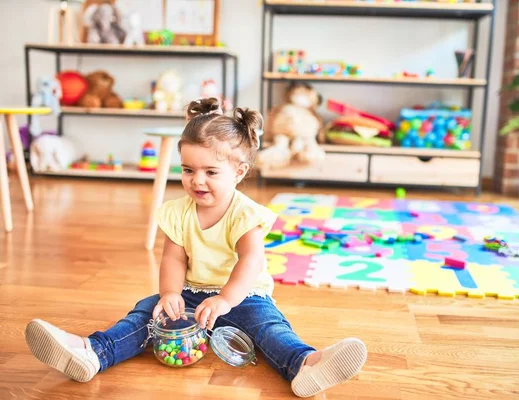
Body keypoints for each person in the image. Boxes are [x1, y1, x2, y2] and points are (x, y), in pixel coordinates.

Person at [25, 97, 367, 398]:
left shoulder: (245, 213)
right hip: (191, 293)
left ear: (239, 172)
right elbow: (173, 256)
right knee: (145, 313)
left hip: (244, 297)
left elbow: (250, 261)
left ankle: (305, 364)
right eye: (188, 170)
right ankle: (91, 352)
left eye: (210, 172)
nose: (197, 180)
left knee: (270, 329)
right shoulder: (177, 212)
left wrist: (225, 300)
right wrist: (169, 293)